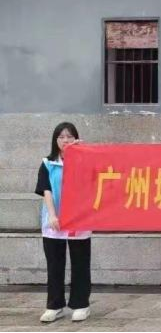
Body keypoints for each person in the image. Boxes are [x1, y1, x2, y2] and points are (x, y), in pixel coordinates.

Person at [36, 122, 92, 324]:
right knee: (54, 265)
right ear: (55, 140)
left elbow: (93, 180)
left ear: (76, 138)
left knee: (80, 263)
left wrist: (84, 152)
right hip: (54, 222)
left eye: (69, 136)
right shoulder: (47, 163)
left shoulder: (84, 160)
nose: (65, 140)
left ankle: (81, 304)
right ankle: (54, 305)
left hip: (79, 220)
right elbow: (46, 190)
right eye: (61, 137)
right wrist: (53, 215)